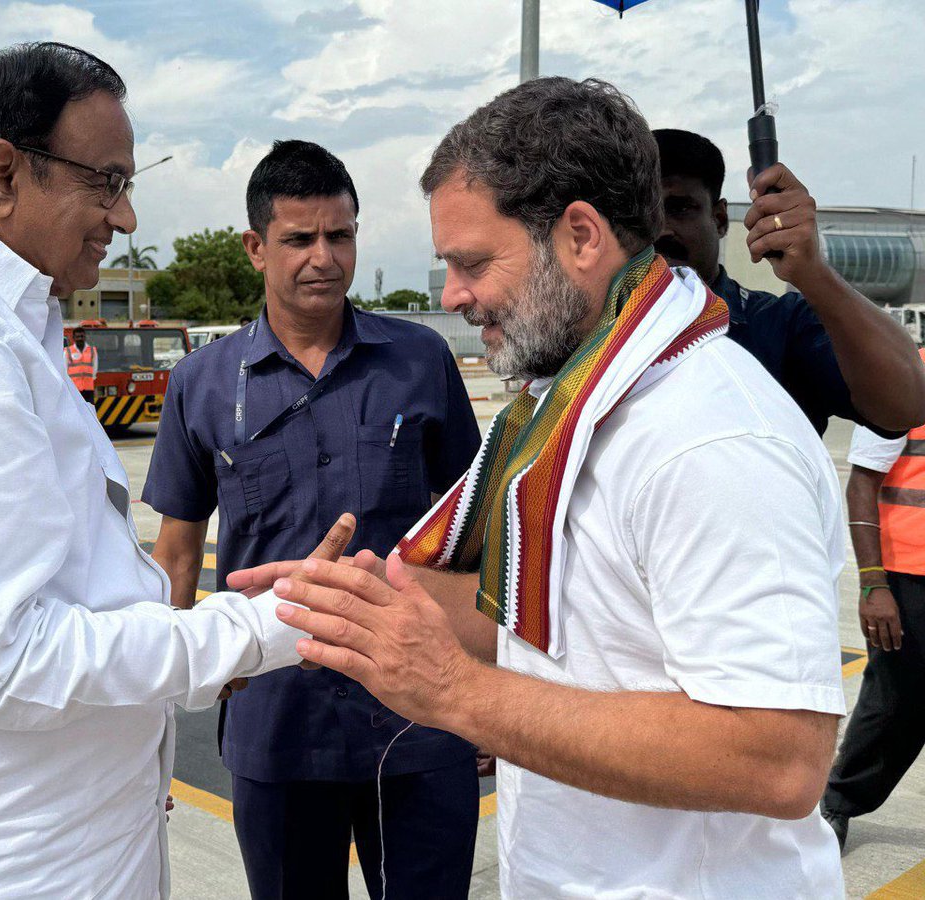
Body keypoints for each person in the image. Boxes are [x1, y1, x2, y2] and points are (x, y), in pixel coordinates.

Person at [242, 78, 848, 898]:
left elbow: (778, 759)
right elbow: (537, 632)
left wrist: (459, 697)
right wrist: (338, 603)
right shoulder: (562, 408)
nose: (453, 296)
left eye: (472, 262)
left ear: (581, 237)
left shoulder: (710, 437)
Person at [0, 42, 341, 899]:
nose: (125, 218)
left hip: (45, 835)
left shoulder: (2, 318)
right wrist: (259, 627)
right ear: (2, 174)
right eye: (107, 183)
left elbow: (58, 590)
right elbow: (3, 658)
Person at [143, 139, 482, 900]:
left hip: (419, 719)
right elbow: (175, 555)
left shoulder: (419, 359)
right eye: (299, 239)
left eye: (341, 235)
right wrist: (156, 720)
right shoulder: (201, 384)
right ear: (256, 247)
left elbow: (475, 533)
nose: (323, 257)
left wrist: (485, 689)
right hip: (277, 722)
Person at [652, 128, 925, 436]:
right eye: (643, 214)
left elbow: (908, 405)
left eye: (680, 208)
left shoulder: (782, 326)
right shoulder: (597, 329)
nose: (661, 230)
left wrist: (812, 273)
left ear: (719, 219)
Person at [820, 348, 925, 851]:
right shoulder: (902, 373)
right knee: (896, 700)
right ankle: (838, 804)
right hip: (909, 579)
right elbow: (861, 482)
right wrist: (872, 583)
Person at [65, 324, 97, 402]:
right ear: (73, 338)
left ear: (85, 337)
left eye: (82, 336)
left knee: (89, 410)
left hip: (88, 388)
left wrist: (91, 380)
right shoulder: (68, 351)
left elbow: (95, 368)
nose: (80, 338)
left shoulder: (92, 350)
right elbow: (64, 369)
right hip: (74, 388)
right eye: (77, 337)